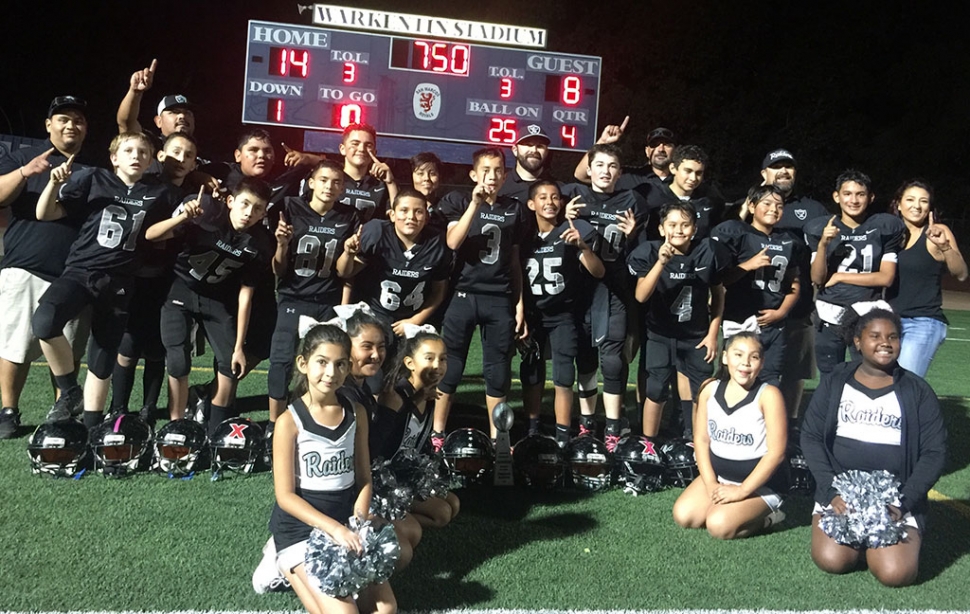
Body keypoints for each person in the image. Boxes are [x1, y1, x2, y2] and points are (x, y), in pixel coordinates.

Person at [32, 132, 178, 428]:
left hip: (120, 280)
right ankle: (70, 390)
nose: (136, 155)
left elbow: (157, 234)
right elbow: (44, 213)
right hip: (80, 270)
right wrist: (54, 183)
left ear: (151, 159)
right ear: (114, 158)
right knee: (45, 321)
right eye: (128, 150)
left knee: (102, 358)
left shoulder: (159, 193)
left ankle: (91, 428)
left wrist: (186, 216)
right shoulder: (94, 178)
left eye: (143, 151)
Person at [800, 309, 946, 587]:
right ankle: (863, 541)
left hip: (896, 497)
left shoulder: (917, 391)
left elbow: (934, 453)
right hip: (840, 494)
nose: (885, 342)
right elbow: (811, 437)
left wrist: (902, 502)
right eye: (875, 336)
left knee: (896, 574)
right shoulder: (835, 381)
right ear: (857, 341)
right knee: (832, 560)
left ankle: (883, 544)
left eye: (893, 337)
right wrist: (831, 491)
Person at [268, 323, 396, 614]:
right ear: (303, 363)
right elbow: (285, 496)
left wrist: (358, 524)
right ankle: (282, 561)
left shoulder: (356, 413)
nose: (331, 373)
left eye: (340, 364)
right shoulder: (290, 422)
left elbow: (364, 478)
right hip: (301, 530)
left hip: (345, 523)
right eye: (322, 363)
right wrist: (335, 530)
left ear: (349, 367)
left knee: (385, 609)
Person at [146, 177, 273, 431]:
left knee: (231, 365)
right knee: (178, 361)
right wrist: (183, 217)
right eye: (245, 204)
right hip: (181, 288)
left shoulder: (259, 241)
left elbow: (245, 294)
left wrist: (239, 347)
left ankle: (216, 429)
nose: (249, 213)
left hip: (216, 297)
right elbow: (151, 235)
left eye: (258, 209)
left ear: (263, 214)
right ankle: (177, 428)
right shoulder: (207, 213)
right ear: (230, 201)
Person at [0, 96, 91, 438]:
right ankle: (8, 410)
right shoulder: (23, 156)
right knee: (14, 345)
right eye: (63, 119)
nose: (71, 125)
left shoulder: (92, 168)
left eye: (78, 120)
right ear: (48, 125)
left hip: (72, 273)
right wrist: (25, 172)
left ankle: (61, 415)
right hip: (26, 264)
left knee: (65, 350)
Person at [432, 147, 527, 447]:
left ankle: (499, 437)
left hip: (498, 296)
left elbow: (515, 261)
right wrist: (474, 205)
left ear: (505, 174)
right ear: (474, 173)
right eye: (486, 170)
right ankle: (437, 432)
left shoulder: (514, 208)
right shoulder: (458, 200)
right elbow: (452, 242)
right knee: (451, 366)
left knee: (497, 370)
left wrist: (520, 303)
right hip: (463, 293)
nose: (492, 176)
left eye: (498, 170)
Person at [108, 132, 200, 425]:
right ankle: (118, 406)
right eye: (175, 152)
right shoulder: (143, 187)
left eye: (188, 155)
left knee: (157, 347)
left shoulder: (191, 197)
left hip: (166, 280)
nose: (181, 159)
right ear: (160, 155)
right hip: (133, 277)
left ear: (195, 164)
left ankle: (149, 408)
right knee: (128, 344)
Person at [563, 143, 646, 449]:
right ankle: (586, 423)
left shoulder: (632, 202)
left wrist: (634, 234)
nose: (605, 171)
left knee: (612, 360)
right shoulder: (573, 195)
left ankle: (612, 426)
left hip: (614, 288)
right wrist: (563, 213)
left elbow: (639, 254)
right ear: (589, 168)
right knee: (584, 357)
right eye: (599, 165)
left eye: (612, 166)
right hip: (579, 289)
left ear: (620, 172)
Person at [267, 160, 359, 434]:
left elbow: (344, 271)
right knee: (281, 361)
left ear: (343, 188)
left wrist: (349, 253)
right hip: (293, 297)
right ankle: (275, 425)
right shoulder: (291, 208)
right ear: (311, 183)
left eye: (336, 182)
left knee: (329, 363)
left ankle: (318, 416)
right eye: (324, 180)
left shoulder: (348, 216)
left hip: (328, 301)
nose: (329, 186)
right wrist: (282, 245)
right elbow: (278, 269)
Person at [627, 201, 729, 438]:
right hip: (661, 334)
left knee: (701, 390)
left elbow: (718, 294)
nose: (679, 230)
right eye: (672, 224)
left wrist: (713, 334)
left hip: (696, 335)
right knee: (655, 388)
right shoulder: (650, 252)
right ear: (662, 229)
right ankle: (648, 443)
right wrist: (661, 262)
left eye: (685, 225)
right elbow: (641, 296)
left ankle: (695, 440)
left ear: (694, 229)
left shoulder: (708, 251)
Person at [672, 332, 788, 539]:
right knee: (684, 516)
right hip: (720, 477)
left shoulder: (769, 395)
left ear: (761, 363)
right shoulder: (709, 389)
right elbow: (701, 440)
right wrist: (711, 484)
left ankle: (770, 516)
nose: (745, 363)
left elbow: (776, 454)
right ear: (725, 357)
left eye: (754, 357)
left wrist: (742, 491)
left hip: (760, 485)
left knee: (718, 525)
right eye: (738, 355)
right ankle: (732, 506)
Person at [334, 307, 422, 571]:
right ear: (345, 347)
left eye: (382, 347)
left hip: (361, 486)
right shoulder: (344, 396)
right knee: (402, 551)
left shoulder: (360, 388)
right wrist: (389, 409)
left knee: (412, 533)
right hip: (340, 496)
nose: (376, 354)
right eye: (367, 347)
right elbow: (368, 453)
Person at [520, 181, 604, 446]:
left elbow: (598, 271)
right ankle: (532, 429)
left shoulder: (569, 234)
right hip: (533, 315)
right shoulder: (523, 238)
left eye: (555, 197)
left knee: (564, 375)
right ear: (531, 204)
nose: (549, 201)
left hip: (562, 314)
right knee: (532, 371)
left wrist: (583, 247)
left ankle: (562, 435)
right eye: (542, 197)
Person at [804, 170, 904, 373]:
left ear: (870, 197)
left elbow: (886, 277)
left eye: (860, 194)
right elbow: (817, 278)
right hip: (829, 314)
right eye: (848, 194)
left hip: (867, 314)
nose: (854, 200)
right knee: (830, 379)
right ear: (836, 196)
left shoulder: (884, 226)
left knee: (870, 375)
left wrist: (841, 276)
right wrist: (823, 244)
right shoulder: (820, 228)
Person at [758, 149, 829, 418]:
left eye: (789, 167)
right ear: (764, 174)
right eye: (777, 166)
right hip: (757, 307)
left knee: (793, 371)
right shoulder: (749, 206)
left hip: (798, 308)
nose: (784, 171)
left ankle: (789, 424)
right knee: (748, 367)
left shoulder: (812, 210)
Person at [712, 184, 800, 386]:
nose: (773, 209)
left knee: (770, 379)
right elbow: (720, 280)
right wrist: (748, 265)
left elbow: (794, 284)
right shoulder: (737, 233)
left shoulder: (788, 241)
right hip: (741, 319)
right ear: (751, 206)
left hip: (773, 325)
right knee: (733, 379)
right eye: (767, 203)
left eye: (779, 205)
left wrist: (782, 311)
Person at [375, 327, 461, 527]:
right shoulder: (396, 395)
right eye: (429, 358)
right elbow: (381, 445)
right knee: (440, 514)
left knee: (453, 503)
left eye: (443, 359)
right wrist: (412, 403)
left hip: (405, 475)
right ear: (410, 363)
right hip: (385, 479)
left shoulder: (429, 395)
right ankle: (390, 519)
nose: (437, 366)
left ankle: (403, 516)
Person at [338, 189, 451, 338]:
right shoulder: (377, 232)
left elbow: (439, 292)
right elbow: (344, 272)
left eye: (418, 212)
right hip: (375, 316)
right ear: (392, 215)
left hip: (412, 320)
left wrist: (415, 321)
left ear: (427, 217)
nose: (411, 217)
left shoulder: (437, 242)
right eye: (404, 210)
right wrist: (348, 254)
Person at [887, 180, 967, 377]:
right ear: (898, 203)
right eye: (910, 199)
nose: (917, 205)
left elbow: (962, 273)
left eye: (924, 201)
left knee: (905, 383)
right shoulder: (888, 234)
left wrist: (944, 247)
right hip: (888, 321)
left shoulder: (937, 232)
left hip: (922, 321)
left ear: (930, 207)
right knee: (884, 385)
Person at [571, 118, 676, 191]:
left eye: (667, 145)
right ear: (647, 151)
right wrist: (603, 141)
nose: (661, 149)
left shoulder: (682, 179)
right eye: (655, 145)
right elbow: (581, 175)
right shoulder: (627, 176)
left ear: (675, 150)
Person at [643, 145, 723, 240]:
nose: (693, 178)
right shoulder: (653, 197)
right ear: (673, 168)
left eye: (698, 173)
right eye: (688, 171)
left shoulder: (709, 200)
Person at [498, 125, 558, 204]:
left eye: (540, 146)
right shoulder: (500, 185)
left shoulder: (558, 188)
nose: (534, 150)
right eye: (528, 144)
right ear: (515, 150)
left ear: (546, 152)